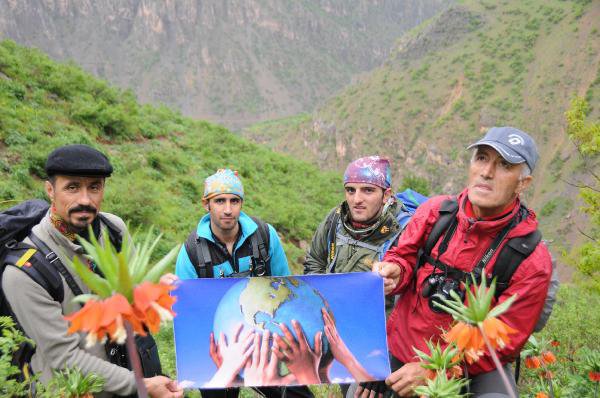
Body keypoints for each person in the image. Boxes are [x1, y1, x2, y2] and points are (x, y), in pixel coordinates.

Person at [372, 127, 553, 397]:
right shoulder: (436, 212)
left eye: (504, 165)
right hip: (403, 344)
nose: (487, 172)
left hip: (473, 363)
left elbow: (505, 342)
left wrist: (432, 368)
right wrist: (394, 272)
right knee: (356, 388)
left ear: (523, 183)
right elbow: (403, 255)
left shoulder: (530, 258)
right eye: (481, 158)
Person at [1, 144, 182, 397]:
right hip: (74, 389)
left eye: (94, 187)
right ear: (50, 190)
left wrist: (154, 291)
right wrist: (141, 385)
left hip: (126, 371)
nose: (85, 200)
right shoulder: (25, 272)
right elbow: (64, 357)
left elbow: (129, 300)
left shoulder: (113, 230)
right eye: (72, 187)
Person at [175, 169, 312, 398]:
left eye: (234, 201)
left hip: (265, 337)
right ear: (206, 204)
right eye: (219, 201)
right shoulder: (191, 251)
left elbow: (285, 286)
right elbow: (185, 312)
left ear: (241, 203)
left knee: (296, 395)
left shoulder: (264, 236)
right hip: (218, 345)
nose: (228, 209)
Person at [304, 156, 406, 276]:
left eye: (368, 190)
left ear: (386, 195)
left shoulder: (402, 230)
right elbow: (314, 262)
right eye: (351, 190)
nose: (357, 200)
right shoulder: (335, 218)